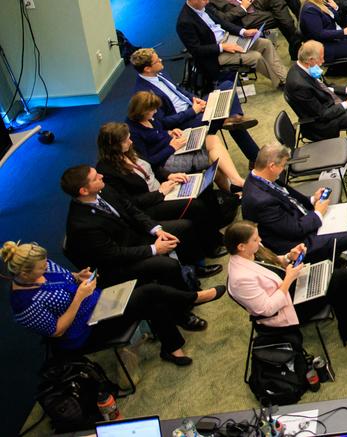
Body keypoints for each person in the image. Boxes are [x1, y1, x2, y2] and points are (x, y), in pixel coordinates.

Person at [5, 240, 222, 368]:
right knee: (149, 294)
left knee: (150, 299)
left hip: (99, 303)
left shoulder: (44, 266)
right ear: (24, 273)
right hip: (84, 331)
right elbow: (56, 331)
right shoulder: (24, 304)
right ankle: (194, 298)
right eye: (41, 269)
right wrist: (79, 297)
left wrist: (78, 276)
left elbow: (66, 276)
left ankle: (172, 346)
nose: (46, 268)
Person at [225, 221, 347, 350]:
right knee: (338, 279)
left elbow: (272, 264)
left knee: (335, 279)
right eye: (255, 239)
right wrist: (288, 279)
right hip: (286, 309)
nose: (260, 241)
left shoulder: (251, 250)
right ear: (241, 246)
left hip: (291, 288)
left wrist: (289, 256)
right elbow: (267, 309)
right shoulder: (240, 279)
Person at [95, 122, 237, 259]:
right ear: (114, 146)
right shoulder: (106, 171)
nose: (131, 142)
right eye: (126, 140)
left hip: (163, 188)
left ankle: (215, 234)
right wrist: (159, 193)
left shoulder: (129, 151)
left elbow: (152, 167)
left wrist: (169, 175)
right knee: (195, 205)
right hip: (150, 204)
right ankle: (210, 247)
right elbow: (129, 202)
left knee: (203, 187)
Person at [61, 165, 216, 284]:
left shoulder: (103, 190)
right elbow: (115, 254)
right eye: (95, 177)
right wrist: (154, 249)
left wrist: (156, 230)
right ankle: (185, 305)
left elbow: (131, 210)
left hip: (134, 236)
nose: (101, 176)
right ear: (83, 190)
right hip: (120, 261)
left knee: (184, 227)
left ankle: (197, 267)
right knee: (166, 265)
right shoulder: (82, 226)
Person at [241, 143, 347, 268]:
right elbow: (294, 231)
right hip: (296, 242)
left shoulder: (261, 176)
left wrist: (312, 200)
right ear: (271, 166)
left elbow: (288, 196)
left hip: (300, 219)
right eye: (283, 165)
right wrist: (318, 214)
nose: (284, 169)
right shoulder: (260, 201)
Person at [129, 45, 260, 164]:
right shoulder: (145, 95)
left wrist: (195, 99)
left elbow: (178, 89)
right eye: (157, 61)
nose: (161, 61)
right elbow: (164, 122)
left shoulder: (159, 73)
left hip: (194, 107)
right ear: (147, 69)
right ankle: (255, 157)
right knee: (226, 118)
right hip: (185, 122)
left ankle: (233, 118)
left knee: (227, 86)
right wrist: (193, 111)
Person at [283, 41, 347, 163]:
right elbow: (322, 114)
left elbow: (325, 86)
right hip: (326, 118)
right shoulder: (298, 84)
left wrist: (346, 89)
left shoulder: (306, 67)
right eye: (321, 58)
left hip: (329, 100)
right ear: (310, 59)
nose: (323, 61)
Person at [124, 91, 244, 190]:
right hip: (165, 162)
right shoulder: (133, 132)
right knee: (213, 160)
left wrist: (169, 133)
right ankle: (234, 188)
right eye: (152, 110)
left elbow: (159, 131)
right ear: (142, 112)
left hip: (172, 147)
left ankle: (235, 182)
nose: (155, 112)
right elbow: (148, 162)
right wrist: (171, 148)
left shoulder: (150, 118)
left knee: (212, 139)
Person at [177, 0, 286, 88]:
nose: (207, 2)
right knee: (255, 57)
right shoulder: (185, 22)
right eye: (205, 0)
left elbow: (223, 23)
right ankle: (281, 83)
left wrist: (243, 32)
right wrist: (222, 47)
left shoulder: (204, 7)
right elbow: (196, 50)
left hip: (228, 38)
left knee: (265, 43)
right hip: (215, 55)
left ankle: (285, 78)